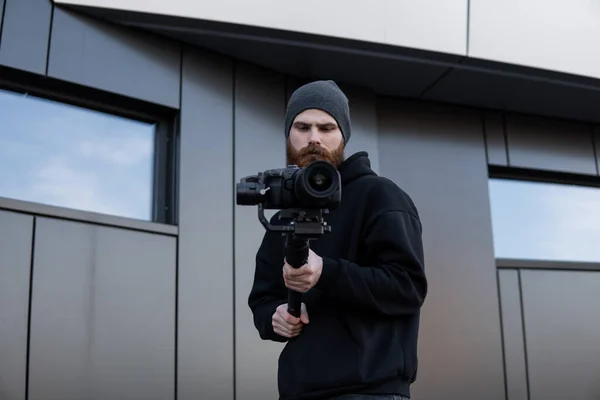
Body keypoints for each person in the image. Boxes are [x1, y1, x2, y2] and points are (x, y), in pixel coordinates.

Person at [248, 80, 428, 400]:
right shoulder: (283, 218)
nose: (314, 138)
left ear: (343, 135)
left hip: (371, 392)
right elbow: (262, 299)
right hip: (299, 392)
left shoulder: (380, 196)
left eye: (326, 127)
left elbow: (407, 287)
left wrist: (326, 272)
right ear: (289, 134)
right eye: (302, 126)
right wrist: (273, 318)